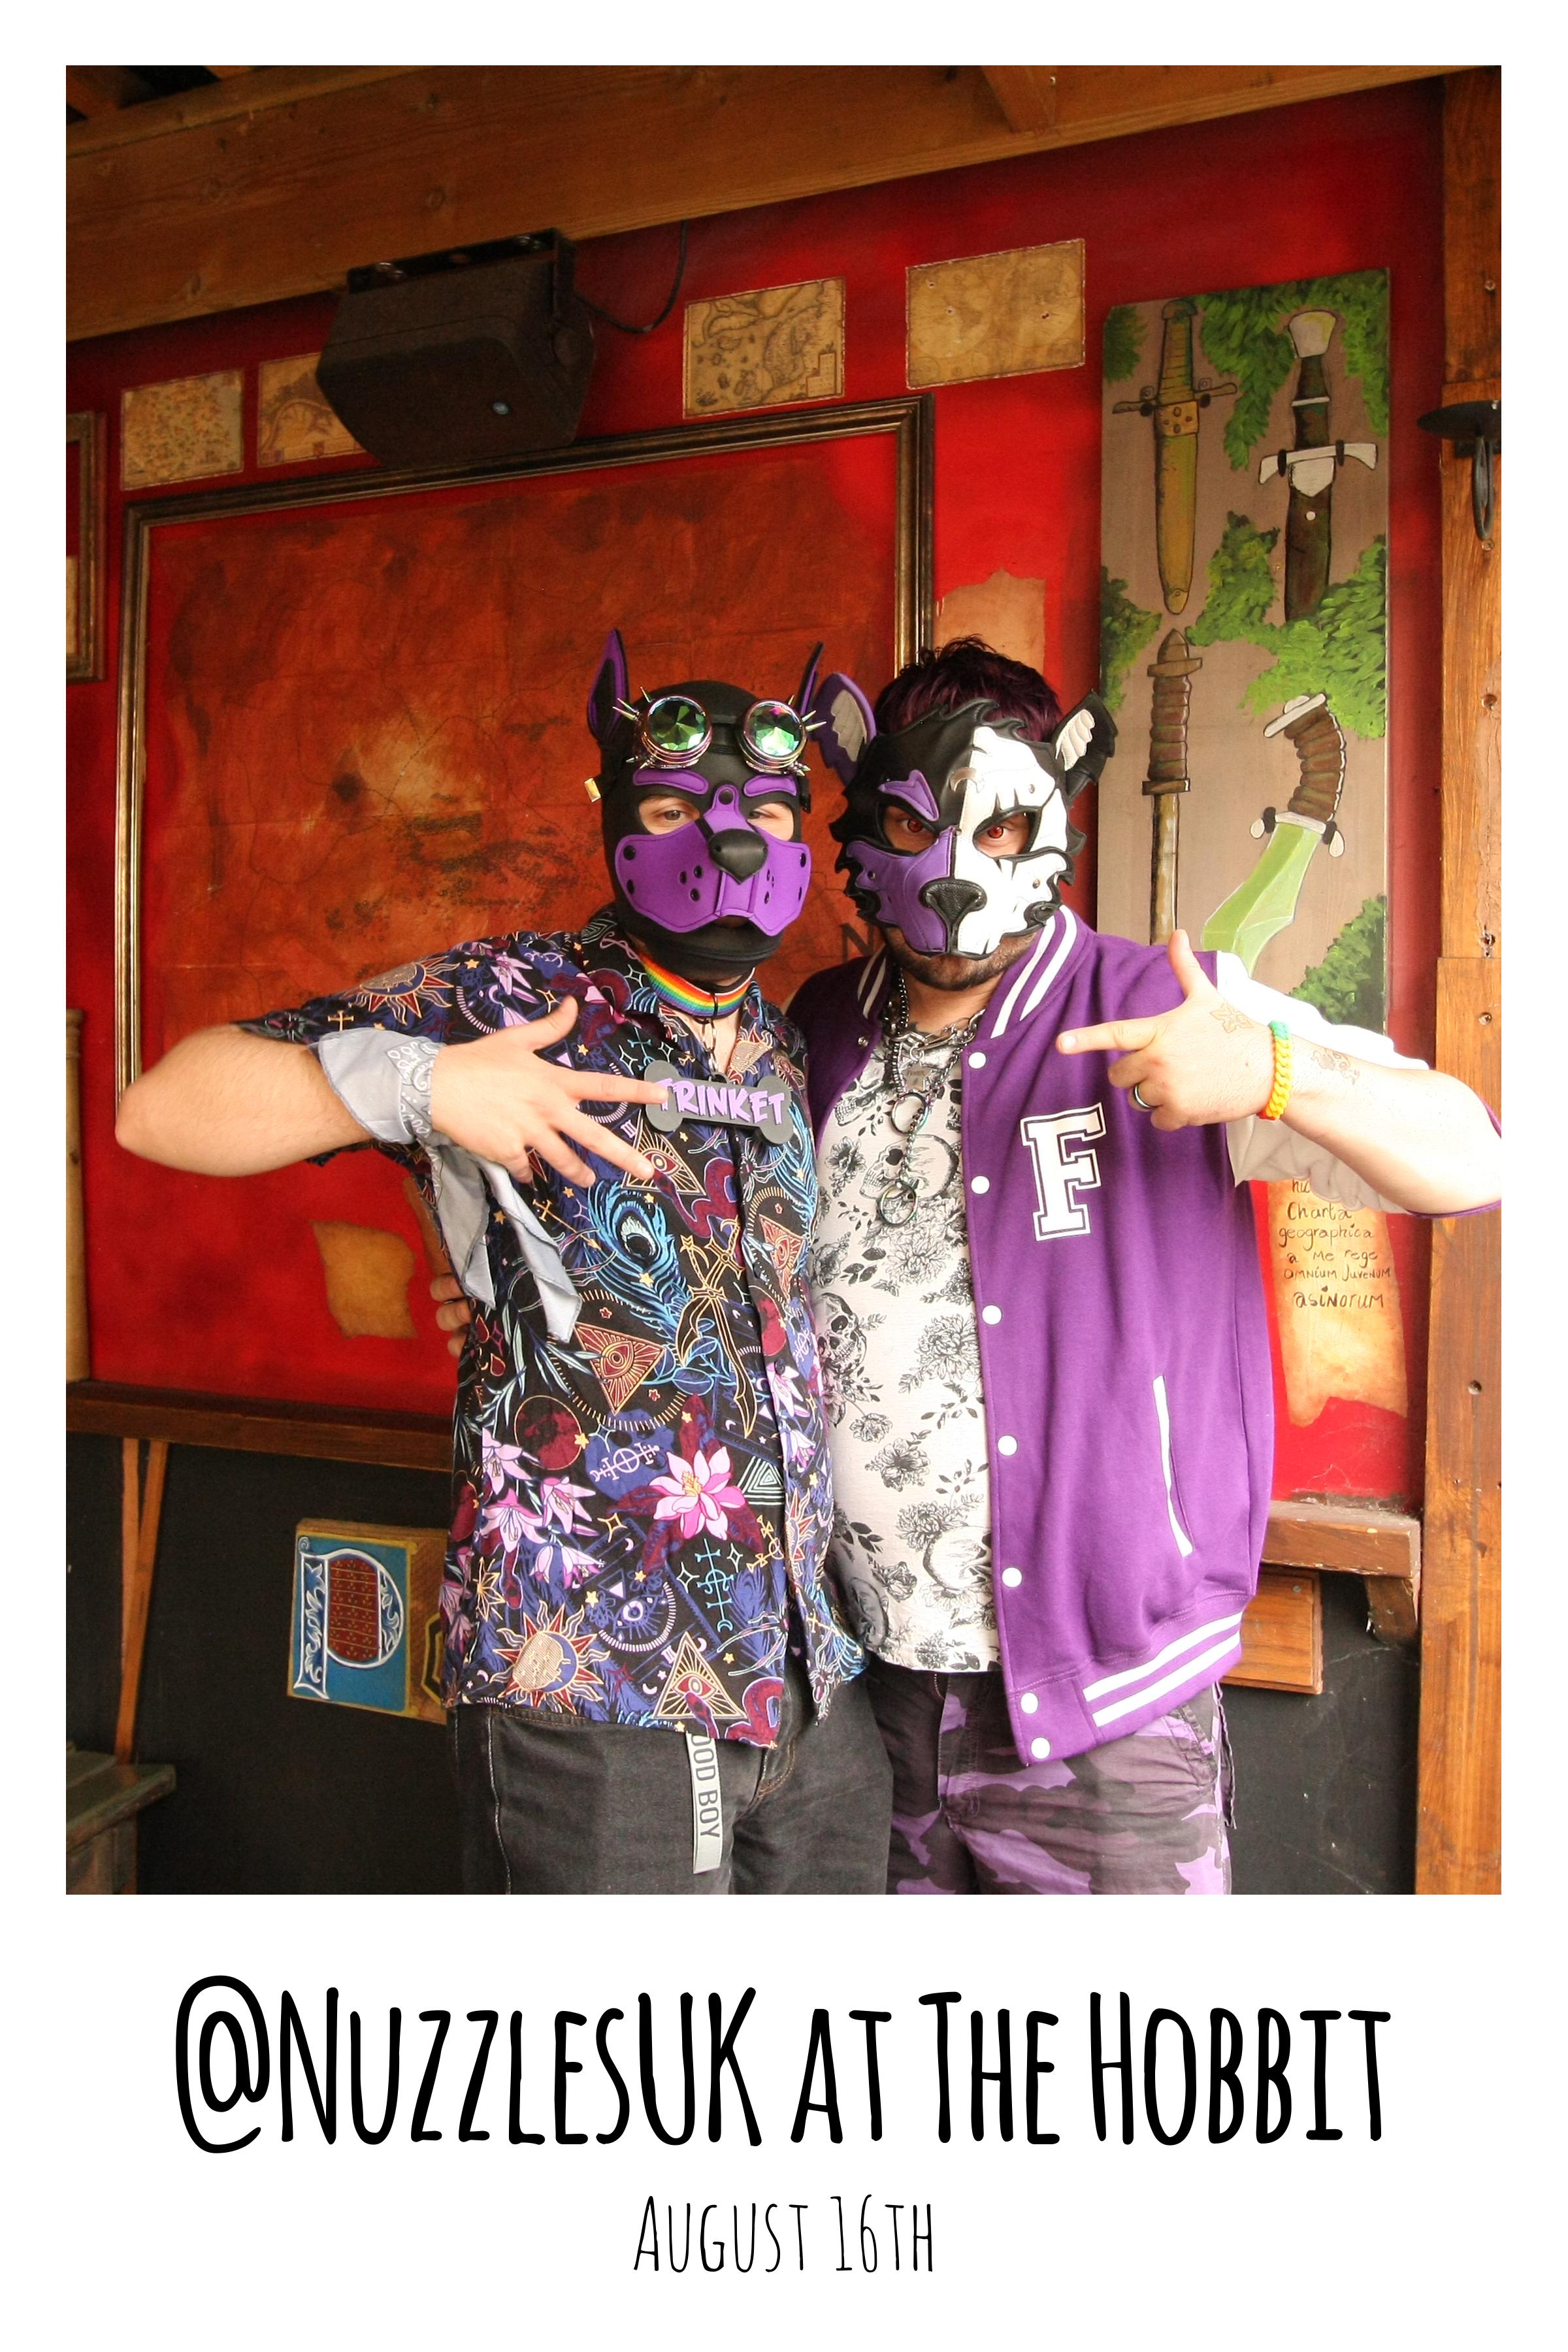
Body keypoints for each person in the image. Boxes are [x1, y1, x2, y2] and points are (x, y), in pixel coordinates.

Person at [115, 630, 890, 1897]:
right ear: (617, 815)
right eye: (676, 808)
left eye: (764, 811)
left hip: (810, 1683)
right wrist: (428, 1087)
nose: (731, 842)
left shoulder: (783, 1043)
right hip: (592, 1683)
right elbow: (163, 1110)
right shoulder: (510, 997)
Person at [779, 637, 1502, 1896]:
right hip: (858, 1695)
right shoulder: (817, 1029)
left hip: (1106, 1713)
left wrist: (1271, 1069)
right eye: (913, 822)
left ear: (1053, 811)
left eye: (1001, 829)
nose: (956, 869)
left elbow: (1472, 1156)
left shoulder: (1175, 1006)